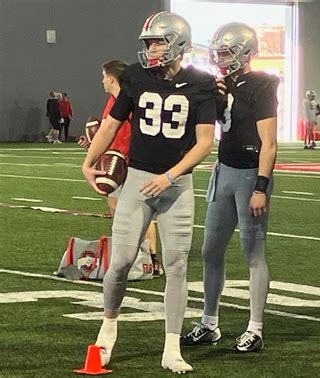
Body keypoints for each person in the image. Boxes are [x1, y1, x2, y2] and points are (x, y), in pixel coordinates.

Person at [81, 11, 217, 373]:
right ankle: (107, 329)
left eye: (158, 41)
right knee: (122, 261)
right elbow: (112, 124)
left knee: (176, 266)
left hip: (176, 185)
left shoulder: (202, 84)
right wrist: (88, 162)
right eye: (149, 42)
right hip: (139, 178)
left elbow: (205, 142)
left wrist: (170, 176)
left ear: (178, 43)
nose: (152, 49)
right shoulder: (136, 77)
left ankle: (172, 347)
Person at [182, 22, 278, 353]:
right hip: (224, 171)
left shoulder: (262, 85)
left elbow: (269, 143)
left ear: (245, 51)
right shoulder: (220, 84)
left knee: (253, 253)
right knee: (211, 249)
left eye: (226, 51)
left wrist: (261, 187)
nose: (220, 57)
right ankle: (209, 322)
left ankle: (255, 327)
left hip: (250, 173)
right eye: (218, 51)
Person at [78, 59, 160, 274]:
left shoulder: (131, 99)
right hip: (115, 159)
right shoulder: (112, 101)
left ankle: (151, 257)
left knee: (141, 212)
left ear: (112, 78)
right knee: (116, 208)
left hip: (130, 161)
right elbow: (108, 131)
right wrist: (93, 147)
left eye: (104, 76)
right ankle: (128, 254)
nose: (102, 80)